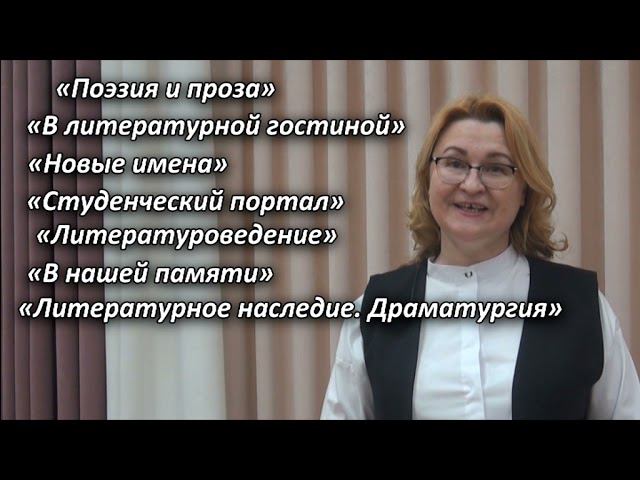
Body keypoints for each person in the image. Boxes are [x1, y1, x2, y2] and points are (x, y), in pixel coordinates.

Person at [321, 94, 640, 420]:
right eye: (454, 163)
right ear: (428, 179)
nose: (472, 185)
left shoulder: (582, 306)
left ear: (524, 191)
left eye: (496, 168)